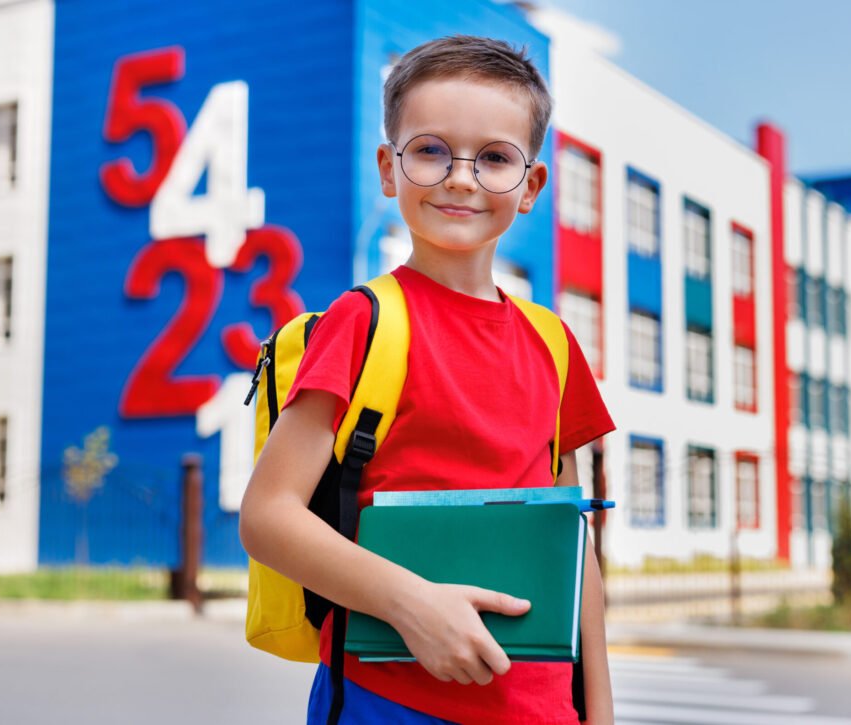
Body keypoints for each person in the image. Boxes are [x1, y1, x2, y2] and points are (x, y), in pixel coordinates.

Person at [239, 35, 615, 725]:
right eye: (431, 149)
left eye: (495, 157)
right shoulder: (364, 320)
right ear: (389, 167)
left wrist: (598, 708)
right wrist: (414, 604)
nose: (461, 177)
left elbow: (574, 544)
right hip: (390, 701)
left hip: (539, 707)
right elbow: (268, 516)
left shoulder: (554, 343)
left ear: (531, 185)